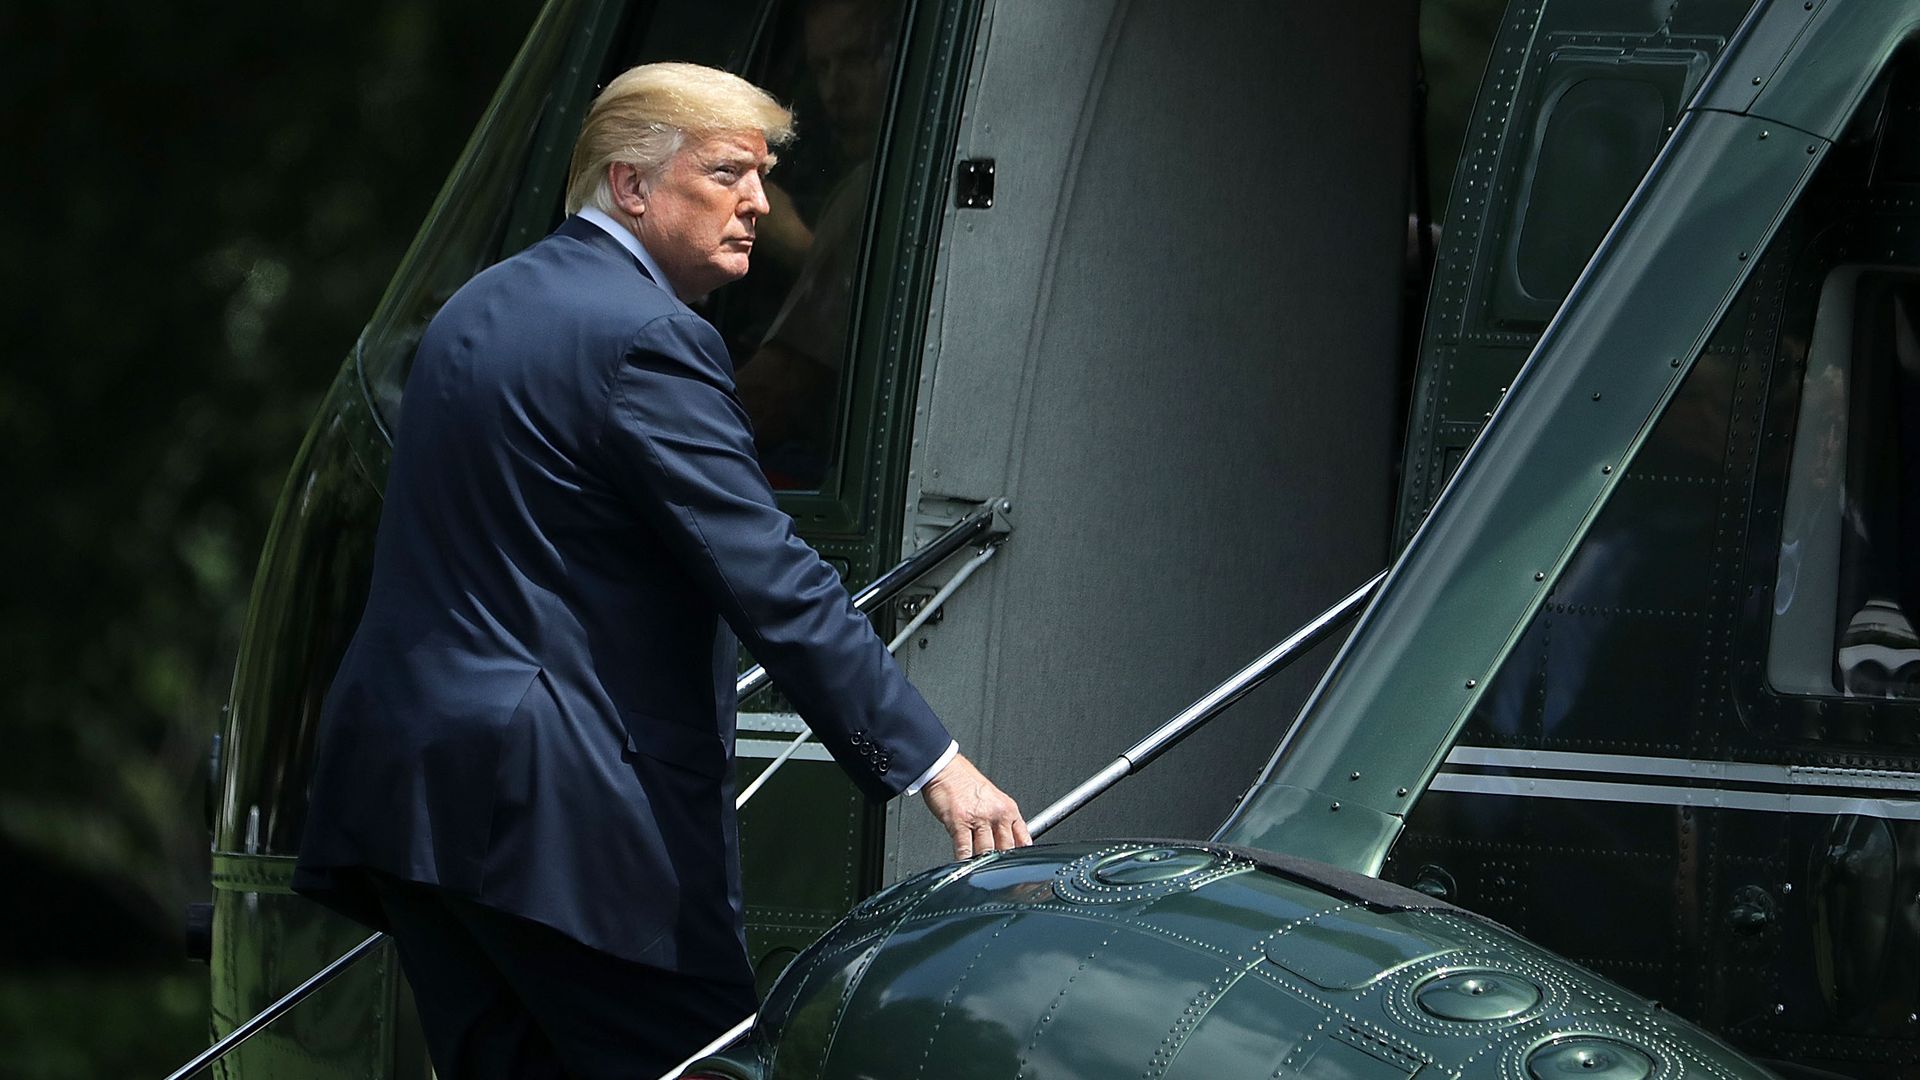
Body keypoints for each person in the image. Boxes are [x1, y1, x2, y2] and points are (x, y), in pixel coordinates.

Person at [293, 61, 1028, 1080]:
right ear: (632, 186)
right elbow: (770, 572)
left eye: (764, 175)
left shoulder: (478, 306)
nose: (760, 204)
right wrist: (932, 763)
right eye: (728, 172)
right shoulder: (648, 339)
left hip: (416, 810)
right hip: (562, 827)